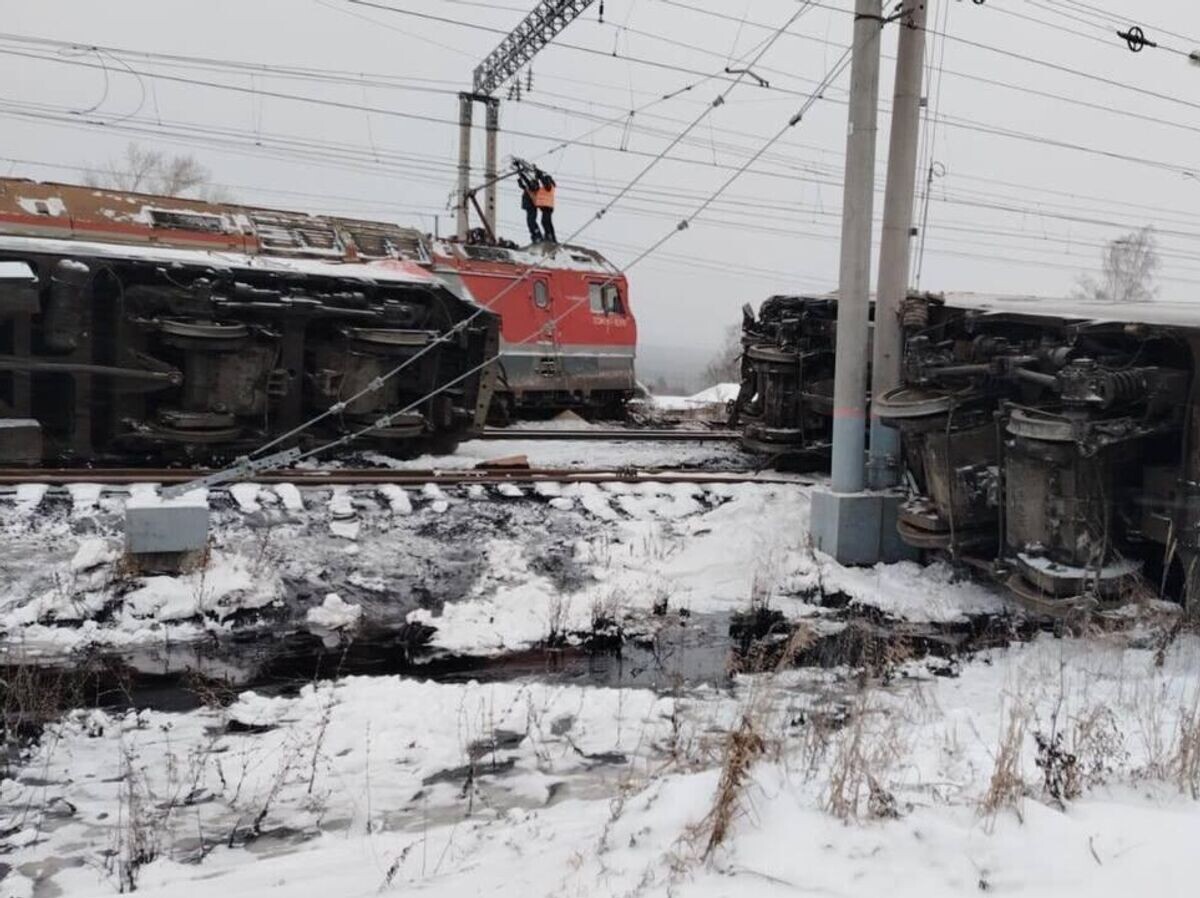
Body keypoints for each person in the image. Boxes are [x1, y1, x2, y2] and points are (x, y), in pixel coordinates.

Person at [516, 166, 542, 243]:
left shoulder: (533, 188)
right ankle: (534, 237)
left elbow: (526, 181)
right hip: (529, 208)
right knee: (530, 223)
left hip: (532, 208)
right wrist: (519, 180)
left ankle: (538, 236)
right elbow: (522, 186)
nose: (530, 183)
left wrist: (519, 171)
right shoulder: (529, 188)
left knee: (531, 222)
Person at [535, 172, 557, 243]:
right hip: (546, 207)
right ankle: (552, 238)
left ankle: (549, 236)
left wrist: (540, 176)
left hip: (547, 207)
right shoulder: (545, 187)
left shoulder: (549, 186)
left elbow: (545, 182)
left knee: (544, 222)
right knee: (548, 223)